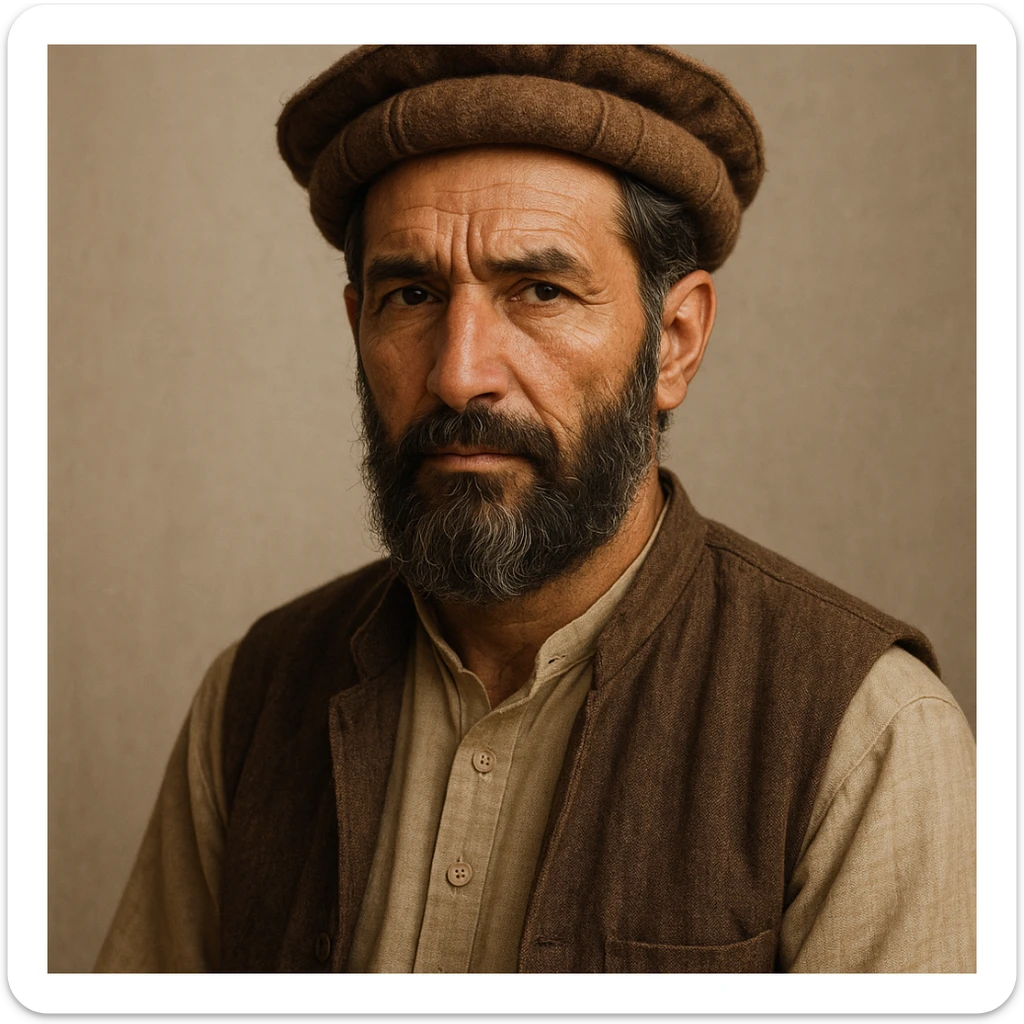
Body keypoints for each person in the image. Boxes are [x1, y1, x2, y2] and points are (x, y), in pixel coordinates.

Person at [94, 44, 975, 974]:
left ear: (673, 343)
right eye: (412, 295)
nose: (459, 372)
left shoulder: (868, 743)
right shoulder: (252, 699)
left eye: (541, 291)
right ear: (357, 324)